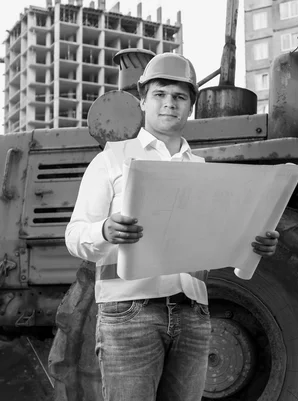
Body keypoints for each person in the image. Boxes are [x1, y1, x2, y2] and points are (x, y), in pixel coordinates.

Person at [65, 52, 279, 401]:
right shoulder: (111, 159)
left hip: (193, 314)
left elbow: (216, 241)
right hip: (130, 312)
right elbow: (74, 235)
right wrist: (104, 230)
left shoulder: (202, 169)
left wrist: (253, 244)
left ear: (190, 106)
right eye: (160, 95)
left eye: (179, 97)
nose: (169, 104)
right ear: (143, 101)